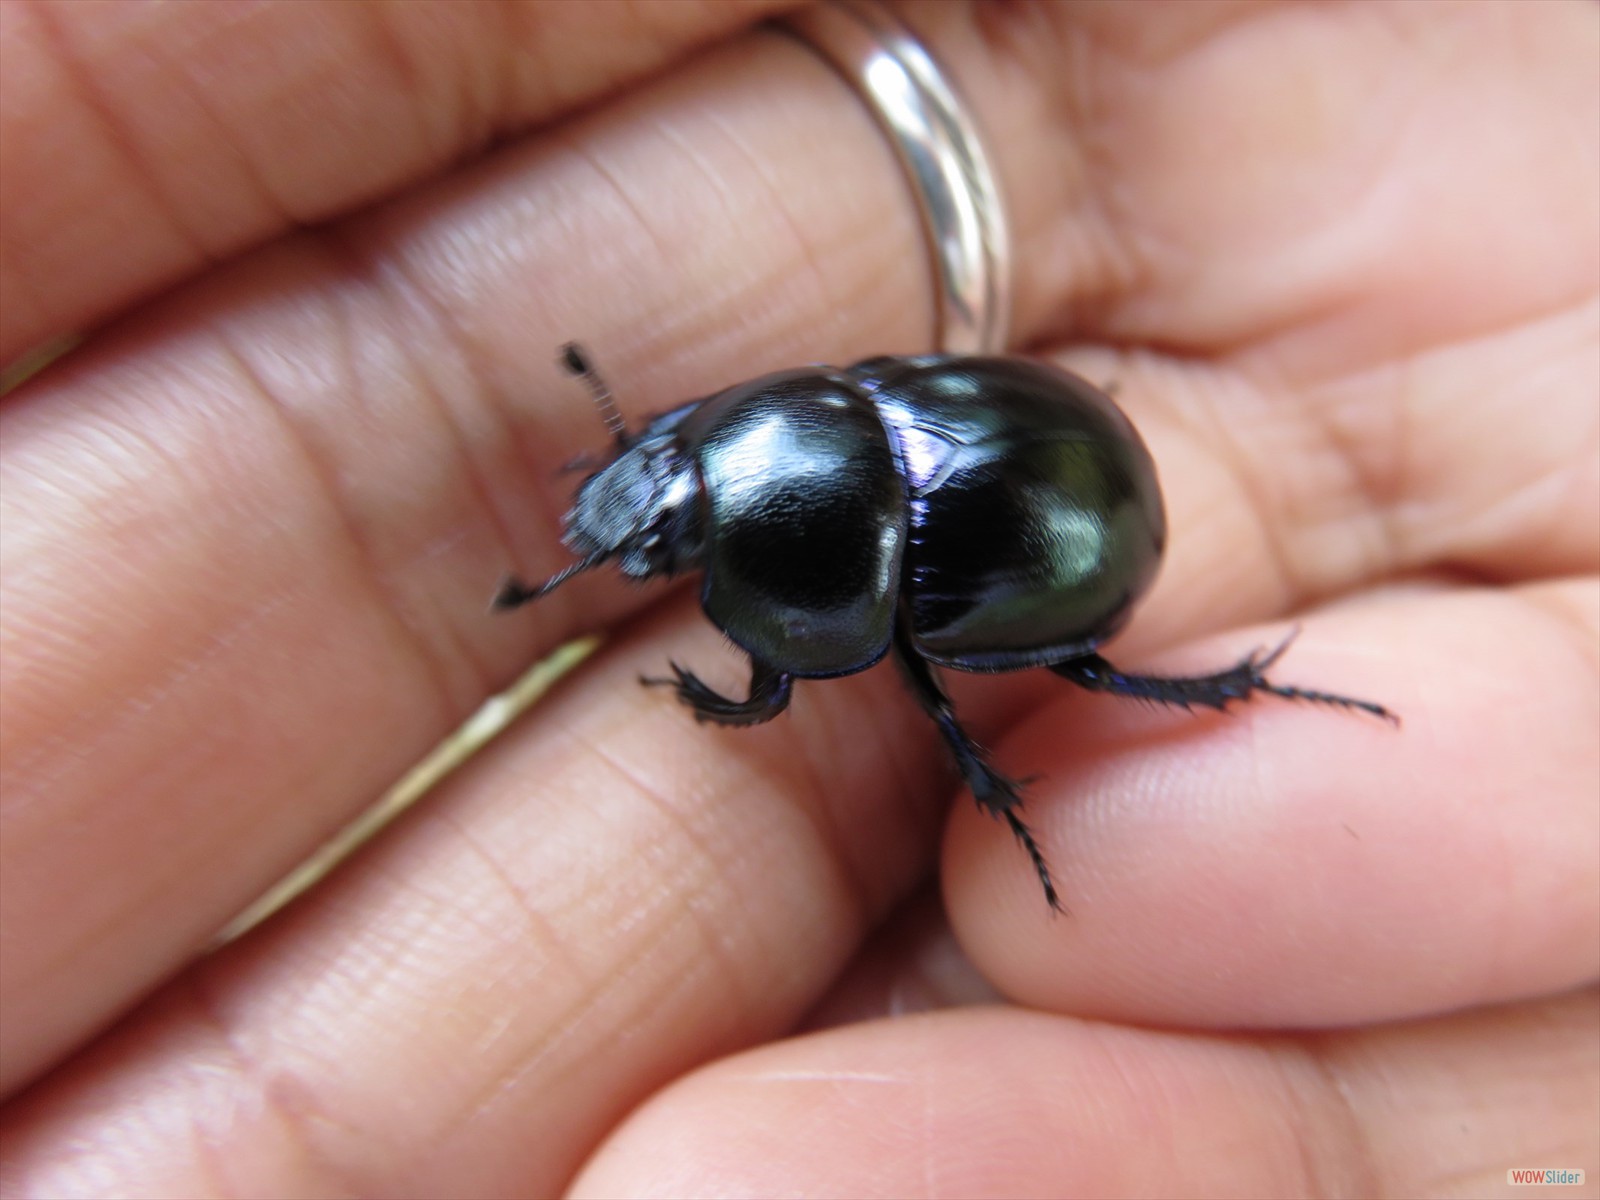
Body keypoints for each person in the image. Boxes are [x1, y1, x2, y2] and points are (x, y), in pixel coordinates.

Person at [1, 2, 1594, 1194]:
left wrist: (717, 683)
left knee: (1078, 686)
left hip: (1077, 520)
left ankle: (1255, 687)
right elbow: (768, 561)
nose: (660, 506)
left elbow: (770, 689)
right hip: (1029, 438)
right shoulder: (817, 426)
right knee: (971, 694)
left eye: (675, 496)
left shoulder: (833, 522)